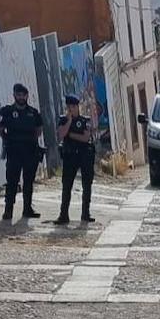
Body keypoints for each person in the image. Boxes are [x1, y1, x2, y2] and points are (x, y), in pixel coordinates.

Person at [0, 83, 44, 222]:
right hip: (14, 151)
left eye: (23, 95)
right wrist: (8, 139)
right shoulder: (6, 111)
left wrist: (29, 141)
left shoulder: (33, 113)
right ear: (14, 95)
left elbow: (39, 130)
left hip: (30, 151)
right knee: (12, 182)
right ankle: (8, 210)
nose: (21, 97)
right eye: (18, 95)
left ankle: (27, 209)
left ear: (27, 95)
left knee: (28, 182)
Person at [55, 94, 96, 225]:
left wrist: (70, 135)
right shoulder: (63, 120)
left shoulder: (85, 120)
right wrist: (69, 122)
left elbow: (85, 138)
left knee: (86, 184)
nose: (71, 109)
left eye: (73, 106)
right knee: (67, 185)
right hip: (69, 156)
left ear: (77, 106)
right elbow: (61, 135)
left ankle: (85, 213)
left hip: (84, 156)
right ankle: (63, 214)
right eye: (69, 107)